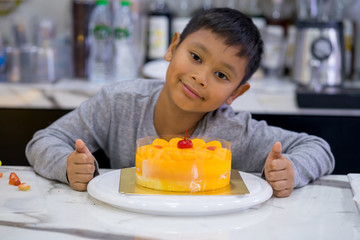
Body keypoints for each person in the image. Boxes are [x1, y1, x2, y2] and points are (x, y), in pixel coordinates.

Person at [26, 8, 334, 197]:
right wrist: (67, 166)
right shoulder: (119, 103)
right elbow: (44, 140)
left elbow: (318, 148)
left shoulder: (234, 130)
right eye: (196, 57)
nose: (200, 77)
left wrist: (291, 169)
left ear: (235, 94)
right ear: (173, 47)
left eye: (221, 75)